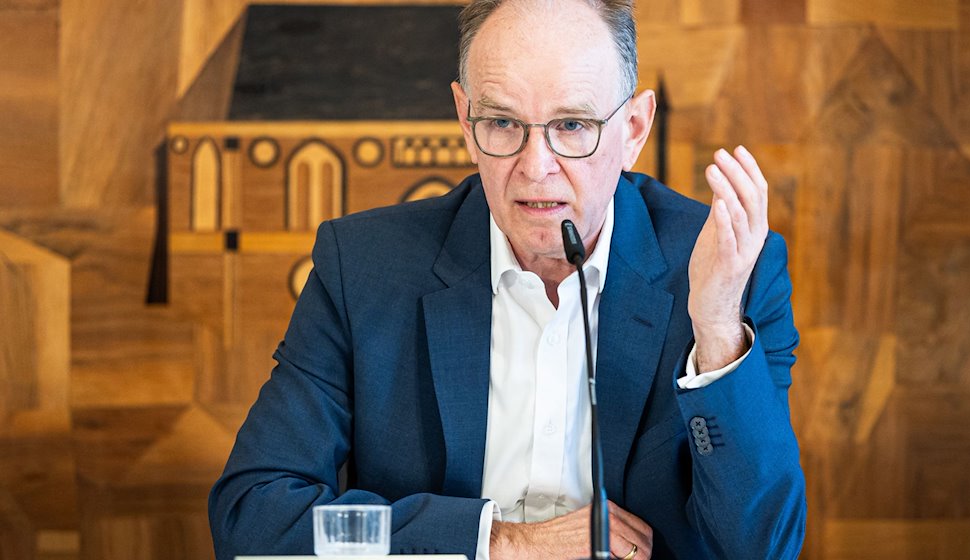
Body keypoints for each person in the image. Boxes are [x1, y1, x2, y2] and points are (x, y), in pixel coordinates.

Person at [208, 0, 806, 558]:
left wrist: (718, 328)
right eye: (502, 122)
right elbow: (252, 514)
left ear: (634, 130)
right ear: (465, 121)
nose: (535, 167)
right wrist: (502, 542)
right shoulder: (363, 266)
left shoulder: (729, 267)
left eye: (572, 125)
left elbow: (762, 547)